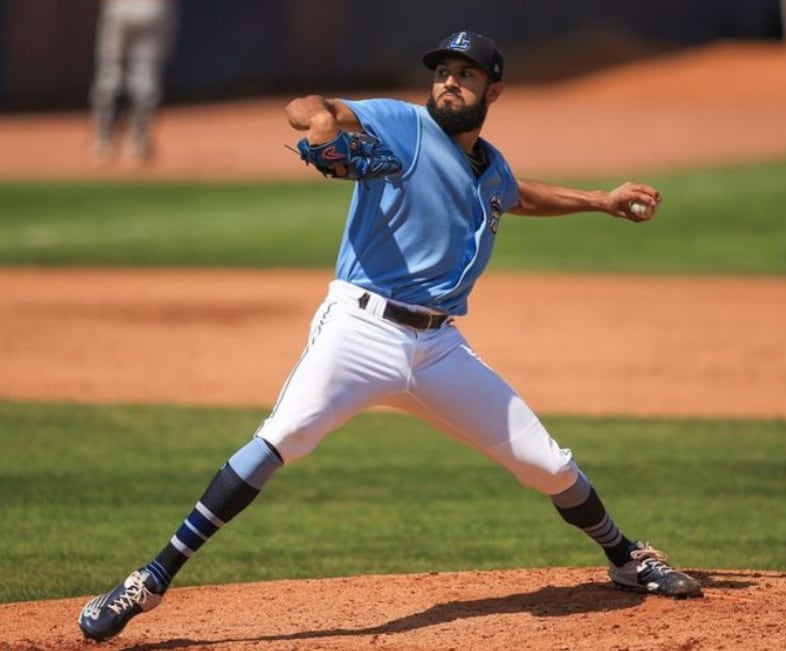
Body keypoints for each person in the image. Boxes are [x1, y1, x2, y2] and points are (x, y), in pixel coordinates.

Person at [78, 30, 702, 642]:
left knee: (547, 463)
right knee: (281, 437)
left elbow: (515, 196)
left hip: (438, 349)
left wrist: (598, 199)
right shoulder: (403, 125)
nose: (450, 83)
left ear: (494, 91)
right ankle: (148, 581)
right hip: (359, 331)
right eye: (443, 72)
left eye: (466, 75)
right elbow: (307, 105)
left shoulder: (489, 166)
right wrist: (322, 125)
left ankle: (626, 558)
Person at [89, 0, 179, 162]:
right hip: (154, 8)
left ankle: (104, 139)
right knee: (146, 73)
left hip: (119, 8)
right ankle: (137, 141)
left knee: (109, 73)